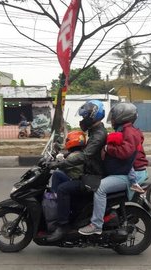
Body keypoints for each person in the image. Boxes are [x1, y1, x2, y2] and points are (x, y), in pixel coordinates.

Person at [78, 102, 148, 235]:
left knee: (100, 188)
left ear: (123, 116)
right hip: (126, 170)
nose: (113, 119)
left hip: (131, 173)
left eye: (115, 116)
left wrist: (107, 148)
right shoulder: (124, 129)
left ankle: (96, 225)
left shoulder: (130, 132)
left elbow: (126, 152)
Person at [46, 100, 108, 242]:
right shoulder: (94, 132)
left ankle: (63, 226)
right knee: (58, 176)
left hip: (93, 177)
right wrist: (63, 156)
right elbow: (82, 150)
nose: (82, 120)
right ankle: (59, 210)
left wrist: (62, 163)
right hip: (88, 173)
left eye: (84, 117)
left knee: (63, 189)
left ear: (92, 116)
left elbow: (85, 155)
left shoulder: (98, 135)